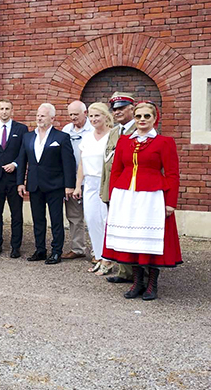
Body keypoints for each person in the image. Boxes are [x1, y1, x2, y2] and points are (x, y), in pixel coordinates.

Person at [102, 102, 181, 301]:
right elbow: (117, 171)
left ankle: (151, 284)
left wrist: (170, 202)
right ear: (134, 119)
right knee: (131, 239)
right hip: (126, 196)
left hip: (152, 197)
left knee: (149, 240)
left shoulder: (164, 142)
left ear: (155, 119)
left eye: (147, 116)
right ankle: (137, 283)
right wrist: (113, 197)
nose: (142, 120)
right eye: (139, 116)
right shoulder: (124, 141)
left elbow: (172, 174)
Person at [16, 103, 76, 264]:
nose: (39, 118)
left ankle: (56, 251)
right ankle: (40, 249)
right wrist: (20, 182)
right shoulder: (28, 136)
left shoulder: (61, 137)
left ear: (52, 118)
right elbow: (22, 161)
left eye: (43, 115)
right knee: (38, 219)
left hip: (55, 185)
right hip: (35, 185)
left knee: (56, 219)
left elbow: (68, 163)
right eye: (38, 115)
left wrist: (69, 185)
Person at [72, 102, 113, 275]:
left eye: (97, 115)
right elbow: (82, 163)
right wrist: (77, 186)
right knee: (92, 220)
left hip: (106, 183)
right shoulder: (87, 137)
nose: (94, 119)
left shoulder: (112, 135)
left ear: (105, 116)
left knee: (106, 221)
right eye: (91, 116)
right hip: (89, 184)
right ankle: (99, 255)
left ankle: (109, 259)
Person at [0, 100, 28, 257]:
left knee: (16, 214)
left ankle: (16, 246)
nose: (4, 111)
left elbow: (23, 152)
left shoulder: (21, 129)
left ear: (12, 110)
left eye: (7, 109)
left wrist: (15, 164)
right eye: (1, 109)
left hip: (14, 178)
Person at [103, 92, 138, 284]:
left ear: (132, 108)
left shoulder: (140, 130)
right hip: (115, 189)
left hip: (132, 190)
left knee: (133, 229)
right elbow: (107, 165)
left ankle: (139, 273)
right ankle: (125, 271)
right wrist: (105, 190)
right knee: (119, 230)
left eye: (122, 108)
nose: (117, 112)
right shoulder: (115, 132)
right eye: (115, 109)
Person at [61, 100, 92, 260]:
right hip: (72, 180)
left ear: (85, 113)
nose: (73, 117)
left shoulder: (93, 129)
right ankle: (77, 248)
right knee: (74, 216)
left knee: (95, 217)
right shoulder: (66, 130)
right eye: (70, 114)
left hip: (92, 180)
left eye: (76, 114)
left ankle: (98, 252)